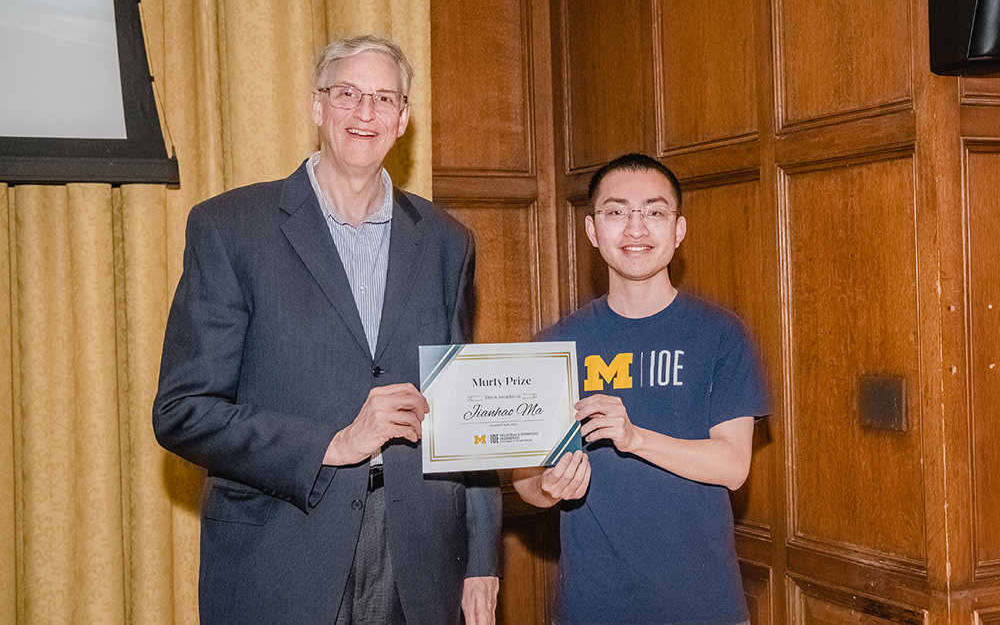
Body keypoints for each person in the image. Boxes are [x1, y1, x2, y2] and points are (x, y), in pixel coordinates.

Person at [153, 35, 501, 624]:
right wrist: (331, 445)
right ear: (318, 107)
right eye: (348, 94)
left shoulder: (447, 242)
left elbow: (465, 410)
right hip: (282, 550)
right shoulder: (230, 227)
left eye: (383, 99)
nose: (365, 113)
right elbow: (184, 411)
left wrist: (482, 557)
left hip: (419, 558)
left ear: (403, 119)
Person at [513, 153, 769, 625]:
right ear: (592, 231)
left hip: (703, 605)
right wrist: (547, 488)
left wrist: (635, 438)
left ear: (678, 230)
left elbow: (733, 466)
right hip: (592, 606)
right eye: (616, 212)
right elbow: (524, 481)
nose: (635, 229)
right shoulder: (553, 346)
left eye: (654, 212)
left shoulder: (720, 334)